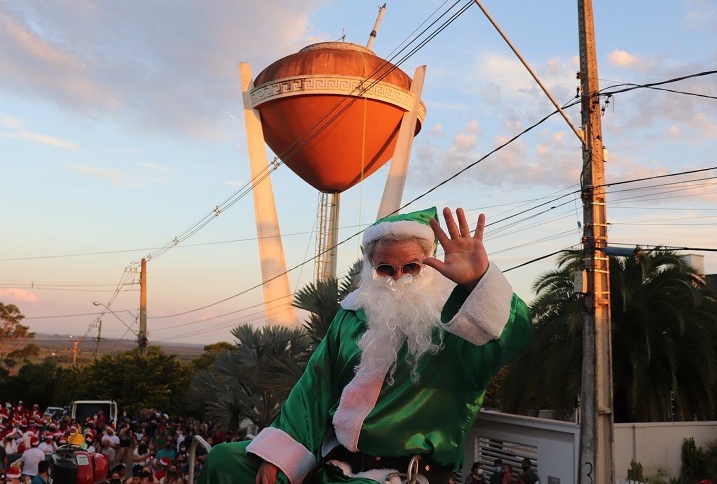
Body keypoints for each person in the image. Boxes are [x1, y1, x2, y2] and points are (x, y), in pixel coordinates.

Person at [199, 207, 533, 484]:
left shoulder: (458, 324)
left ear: (429, 266)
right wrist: (277, 456)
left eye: (411, 267)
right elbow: (313, 390)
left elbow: (510, 338)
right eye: (386, 269)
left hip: (402, 476)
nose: (398, 278)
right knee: (224, 461)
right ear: (371, 269)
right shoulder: (350, 319)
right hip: (333, 463)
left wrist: (479, 282)